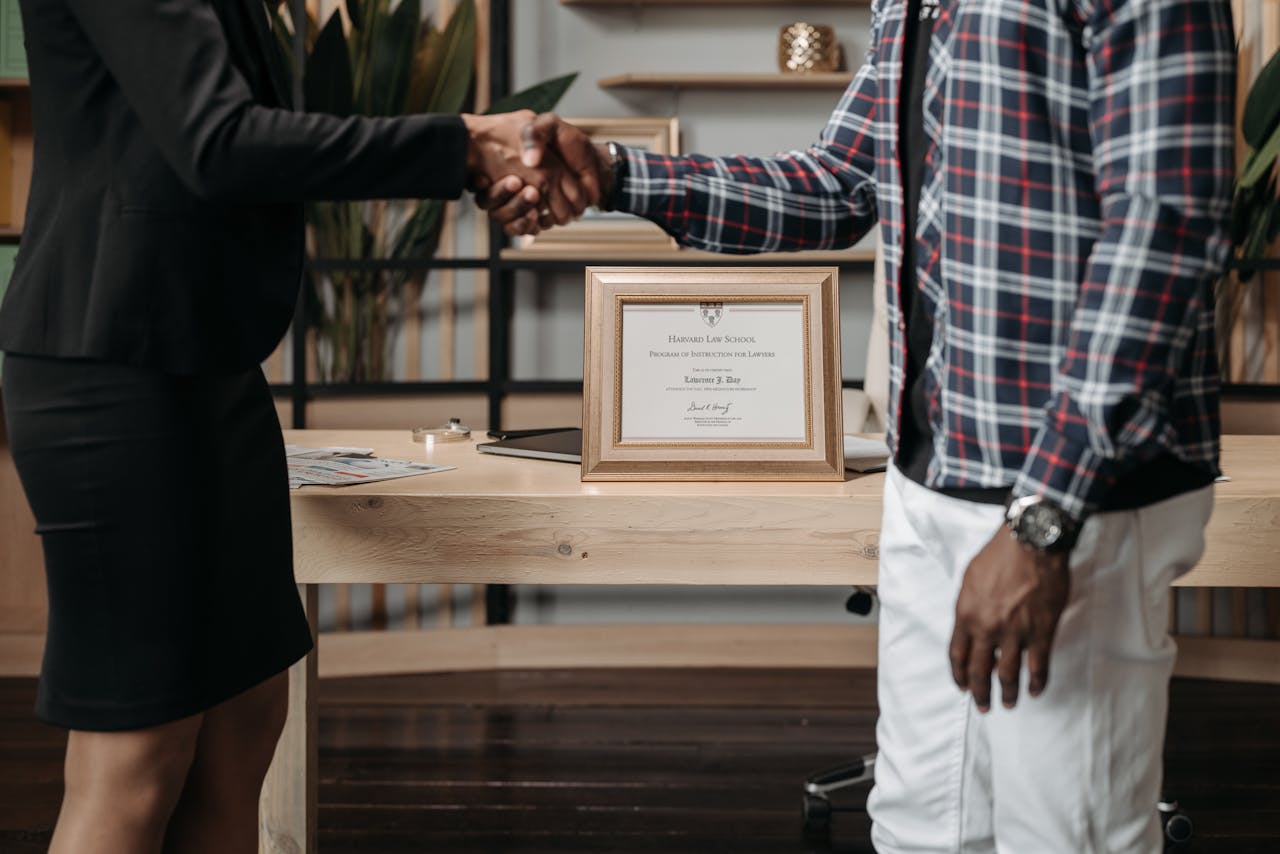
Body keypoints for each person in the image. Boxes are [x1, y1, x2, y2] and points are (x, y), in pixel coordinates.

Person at [483, 0, 1237, 849]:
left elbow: (1166, 228)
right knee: (921, 826)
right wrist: (617, 174)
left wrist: (1042, 522)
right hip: (933, 477)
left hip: (1075, 490)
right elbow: (840, 185)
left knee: (1067, 833)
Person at [0, 1, 597, 852]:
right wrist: (463, 145)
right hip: (111, 366)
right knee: (137, 755)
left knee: (246, 720)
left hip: (212, 364)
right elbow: (219, 141)